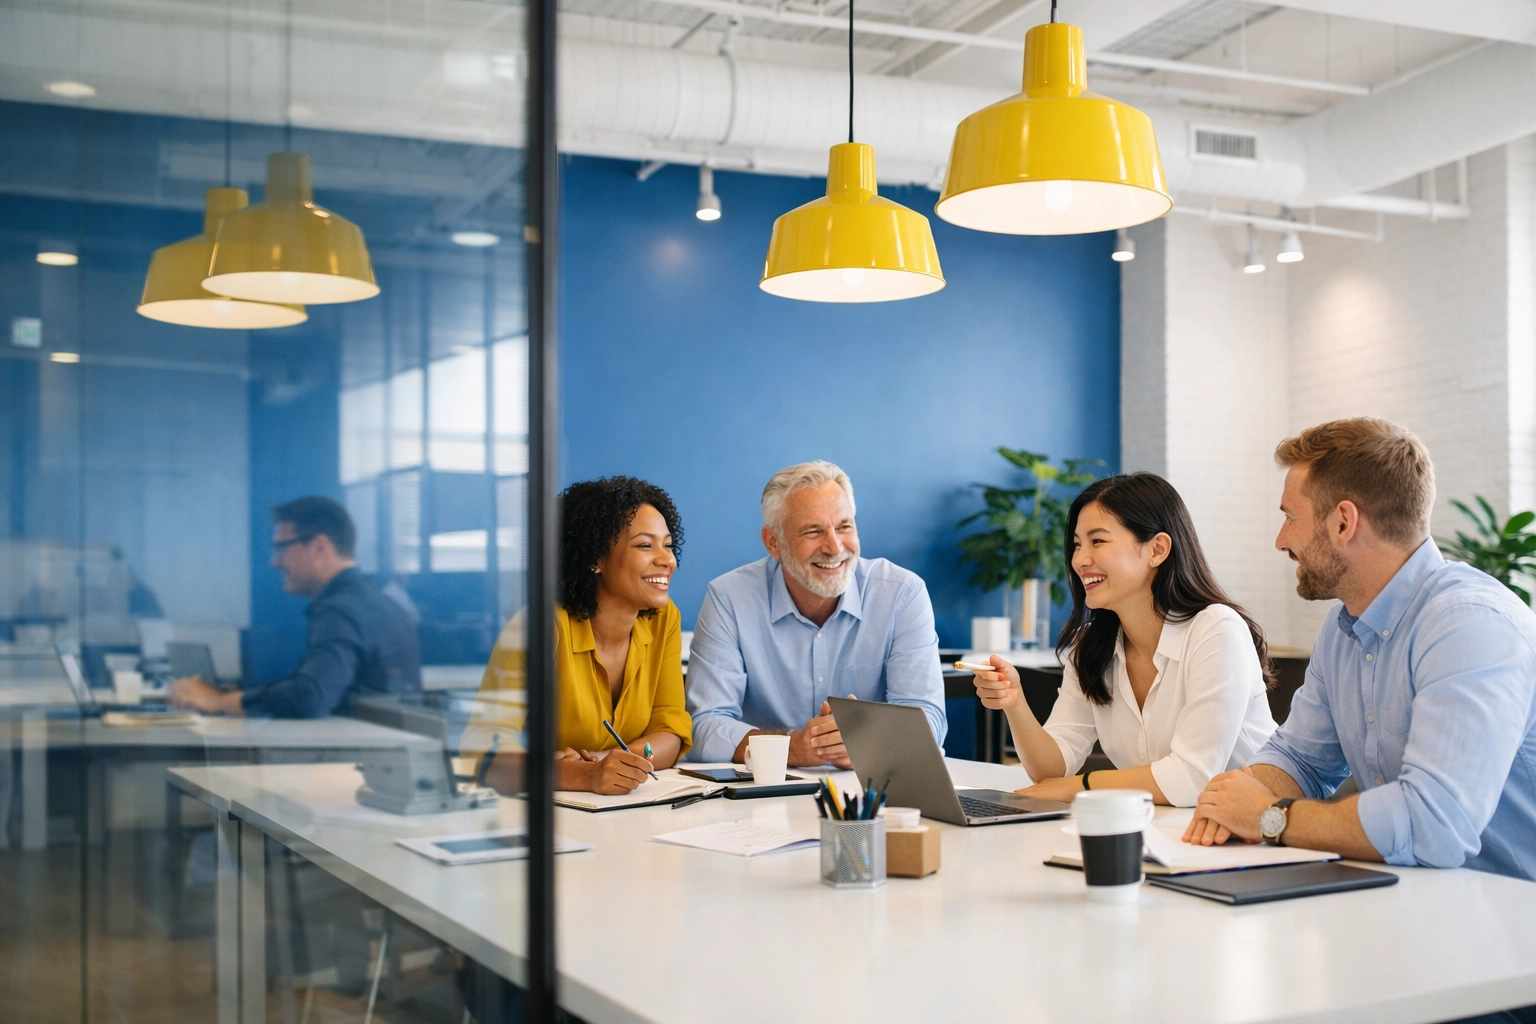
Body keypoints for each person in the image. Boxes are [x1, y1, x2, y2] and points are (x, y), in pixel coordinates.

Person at [1186, 419, 1536, 892]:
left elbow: (1433, 825)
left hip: (1511, 916)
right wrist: (1234, 801)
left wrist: (1270, 817)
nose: (1280, 540)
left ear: (1343, 522)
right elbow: (1301, 759)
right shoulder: (1344, 626)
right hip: (1420, 900)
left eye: (1290, 517)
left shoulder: (1469, 624)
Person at [967, 472, 1277, 806]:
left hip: (1260, 835)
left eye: (1097, 541)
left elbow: (1190, 779)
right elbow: (1051, 770)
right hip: (1169, 830)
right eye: (1076, 545)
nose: (1079, 560)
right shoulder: (1091, 647)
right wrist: (1014, 703)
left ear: (1157, 550)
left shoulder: (1216, 629)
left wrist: (1081, 786)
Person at [686, 460, 946, 766]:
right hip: (762, 798)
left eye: (844, 527)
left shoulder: (902, 593)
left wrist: (868, 741)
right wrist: (792, 748)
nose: (835, 547)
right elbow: (704, 727)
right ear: (773, 542)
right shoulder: (729, 598)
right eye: (813, 531)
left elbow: (927, 719)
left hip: (873, 793)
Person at [471, 477, 692, 796]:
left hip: (628, 809)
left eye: (668, 545)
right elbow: (487, 756)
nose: (667, 560)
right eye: (645, 545)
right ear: (594, 559)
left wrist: (607, 764)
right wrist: (582, 775)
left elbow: (670, 732)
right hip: (549, 823)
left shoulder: (663, 618)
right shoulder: (540, 627)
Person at [167, 496, 421, 717]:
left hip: (362, 764)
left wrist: (216, 701)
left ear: (320, 547)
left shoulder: (341, 610)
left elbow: (309, 698)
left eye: (281, 548)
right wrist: (242, 696)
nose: (274, 563)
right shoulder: (369, 600)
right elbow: (326, 688)